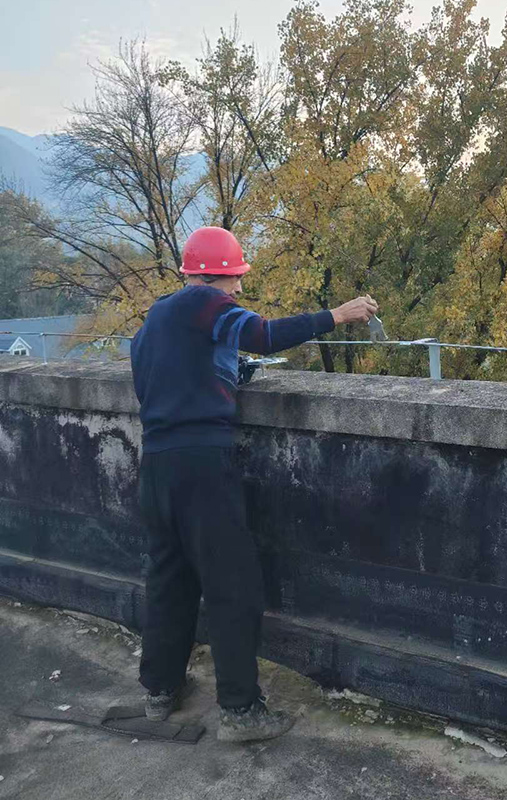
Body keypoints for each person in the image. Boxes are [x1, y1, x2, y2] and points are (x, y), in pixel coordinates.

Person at [130, 226, 378, 742]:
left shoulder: (156, 317)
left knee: (169, 581)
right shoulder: (205, 303)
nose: (240, 290)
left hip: (156, 465)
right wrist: (336, 315)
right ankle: (241, 713)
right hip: (201, 466)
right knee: (232, 586)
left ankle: (158, 692)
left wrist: (228, 375)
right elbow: (262, 333)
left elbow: (167, 376)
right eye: (237, 278)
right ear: (216, 277)